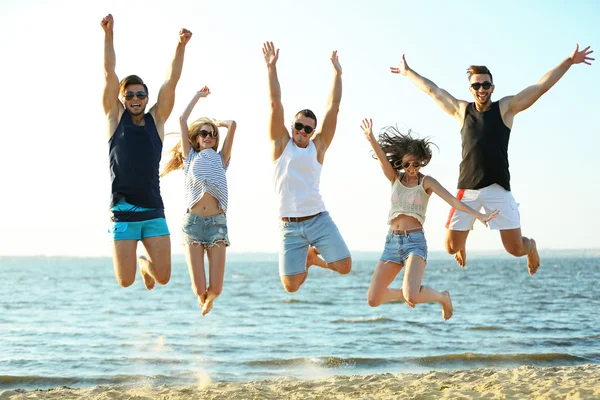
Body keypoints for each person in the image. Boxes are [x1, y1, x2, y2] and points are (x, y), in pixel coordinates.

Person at [390, 44, 594, 275]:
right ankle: (464, 237)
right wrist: (408, 73)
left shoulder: (505, 109)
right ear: (471, 88)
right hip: (467, 190)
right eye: (476, 85)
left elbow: (541, 87)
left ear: (492, 87)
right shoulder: (461, 110)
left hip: (498, 188)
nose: (481, 89)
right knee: (450, 247)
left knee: (515, 249)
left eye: (486, 84)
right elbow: (432, 90)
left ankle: (532, 247)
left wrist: (568, 60)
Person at [361, 119, 498, 320]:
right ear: (401, 162)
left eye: (416, 164)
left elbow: (453, 200)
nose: (411, 168)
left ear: (422, 161)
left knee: (412, 295)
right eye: (407, 164)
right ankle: (410, 291)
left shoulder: (426, 182)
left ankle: (442, 297)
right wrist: (370, 138)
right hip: (392, 242)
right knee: (374, 299)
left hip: (414, 244)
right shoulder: (395, 178)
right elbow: (382, 159)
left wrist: (480, 215)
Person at [101, 13, 192, 289]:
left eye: (141, 94)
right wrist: (108, 34)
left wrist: (181, 45)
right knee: (125, 282)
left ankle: (147, 266)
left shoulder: (157, 120)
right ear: (122, 98)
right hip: (123, 211)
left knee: (163, 278)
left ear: (147, 98)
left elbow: (171, 80)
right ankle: (140, 264)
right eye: (129, 95)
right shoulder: (115, 120)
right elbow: (109, 72)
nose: (136, 99)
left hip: (153, 209)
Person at [262, 41, 352, 293]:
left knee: (345, 266)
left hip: (317, 219)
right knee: (291, 287)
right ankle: (308, 259)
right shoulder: (281, 144)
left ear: (313, 132)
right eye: (298, 126)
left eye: (308, 128)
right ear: (292, 126)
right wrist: (271, 68)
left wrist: (337, 74)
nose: (302, 131)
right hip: (288, 225)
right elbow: (274, 102)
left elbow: (333, 108)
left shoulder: (318, 148)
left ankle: (312, 257)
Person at [161, 87, 237, 315]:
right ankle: (203, 298)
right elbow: (182, 119)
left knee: (217, 289)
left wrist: (218, 122)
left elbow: (233, 125)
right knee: (198, 288)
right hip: (193, 224)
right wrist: (197, 96)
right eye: (203, 133)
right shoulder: (190, 156)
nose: (209, 137)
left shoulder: (222, 158)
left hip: (216, 225)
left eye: (212, 134)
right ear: (195, 138)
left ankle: (209, 300)